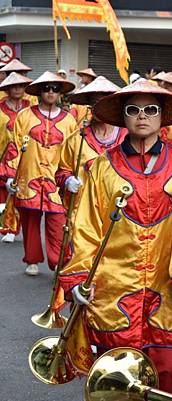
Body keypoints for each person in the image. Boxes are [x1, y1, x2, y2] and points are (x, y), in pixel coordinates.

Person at [59, 79, 172, 395]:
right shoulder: (100, 167)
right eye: (133, 109)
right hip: (111, 291)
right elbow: (85, 227)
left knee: (166, 376)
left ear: (162, 116)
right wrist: (80, 277)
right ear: (123, 116)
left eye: (150, 109)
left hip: (166, 292)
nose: (142, 116)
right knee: (114, 380)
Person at [2, 71, 77, 276]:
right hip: (29, 177)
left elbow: (73, 150)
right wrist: (10, 176)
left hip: (56, 180)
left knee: (58, 222)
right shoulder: (24, 116)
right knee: (30, 221)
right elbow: (14, 147)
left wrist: (71, 176)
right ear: (39, 92)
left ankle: (58, 261)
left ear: (61, 93)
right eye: (46, 88)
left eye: (55, 88)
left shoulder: (69, 120)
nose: (51, 92)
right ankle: (32, 259)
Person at [56, 76, 127, 211]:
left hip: (118, 212)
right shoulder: (75, 139)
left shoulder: (127, 137)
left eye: (103, 103)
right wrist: (68, 180)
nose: (98, 108)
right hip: (83, 212)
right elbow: (61, 172)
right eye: (94, 103)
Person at [0, 72, 33, 243]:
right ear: (7, 89)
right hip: (4, 156)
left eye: (21, 86)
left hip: (26, 156)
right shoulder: (0, 108)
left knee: (20, 191)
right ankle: (7, 225)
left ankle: (13, 226)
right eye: (14, 86)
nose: (18, 89)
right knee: (5, 193)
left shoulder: (31, 107)